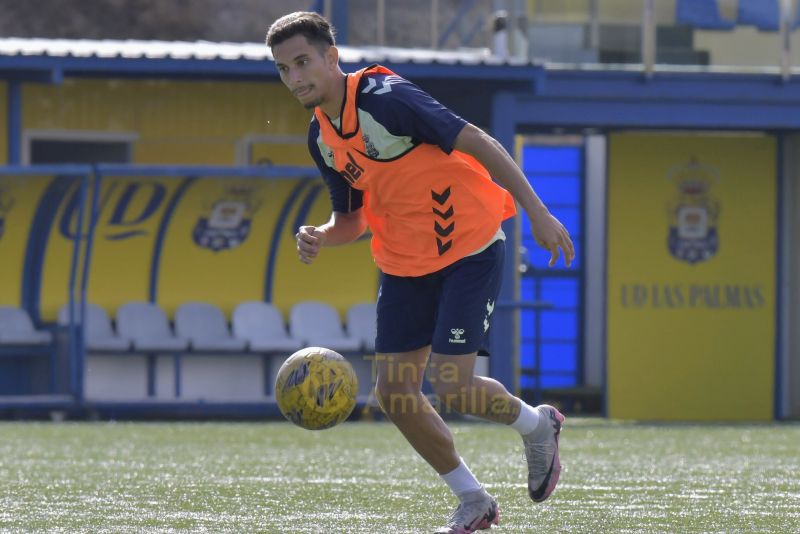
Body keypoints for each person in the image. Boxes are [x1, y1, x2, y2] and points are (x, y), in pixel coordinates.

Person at [267, 11, 574, 534]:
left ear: (331, 57)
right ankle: (474, 500)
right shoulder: (320, 138)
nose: (295, 77)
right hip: (404, 264)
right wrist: (320, 234)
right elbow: (352, 221)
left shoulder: (386, 98)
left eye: (302, 62)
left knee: (452, 385)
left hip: (469, 247)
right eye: (283, 69)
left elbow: (479, 141)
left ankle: (537, 424)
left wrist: (537, 212)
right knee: (395, 393)